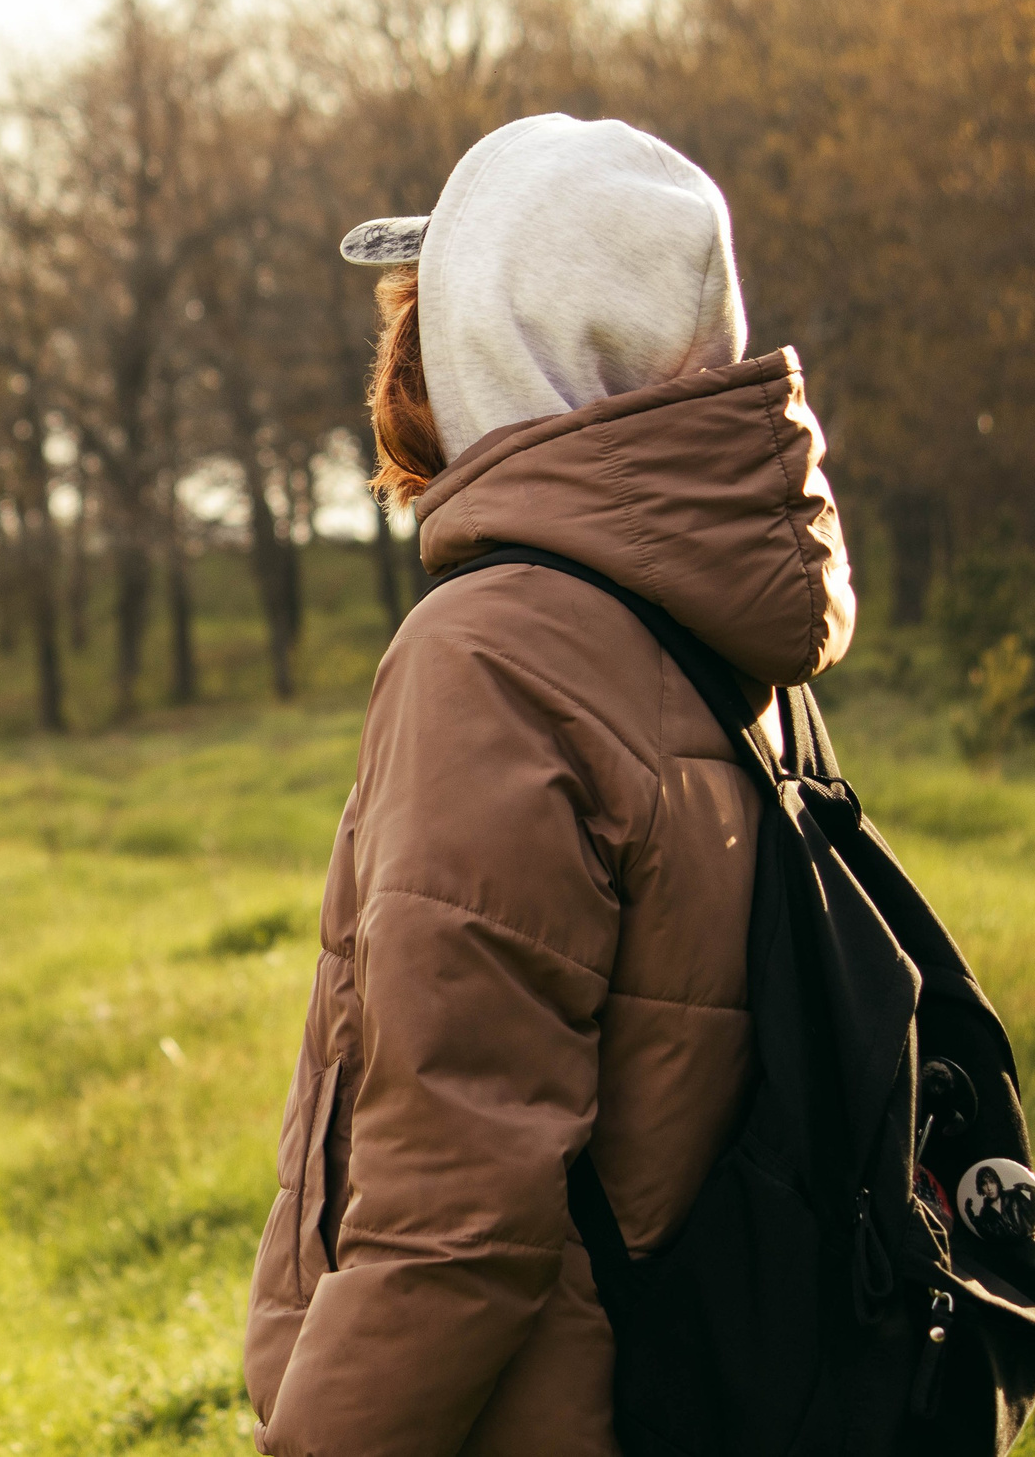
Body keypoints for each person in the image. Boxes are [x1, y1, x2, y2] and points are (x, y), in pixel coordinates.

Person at [243, 114, 857, 1456]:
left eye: (426, 307)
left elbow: (454, 1213)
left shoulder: (497, 649)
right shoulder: (726, 634)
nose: (397, 349)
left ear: (489, 340)